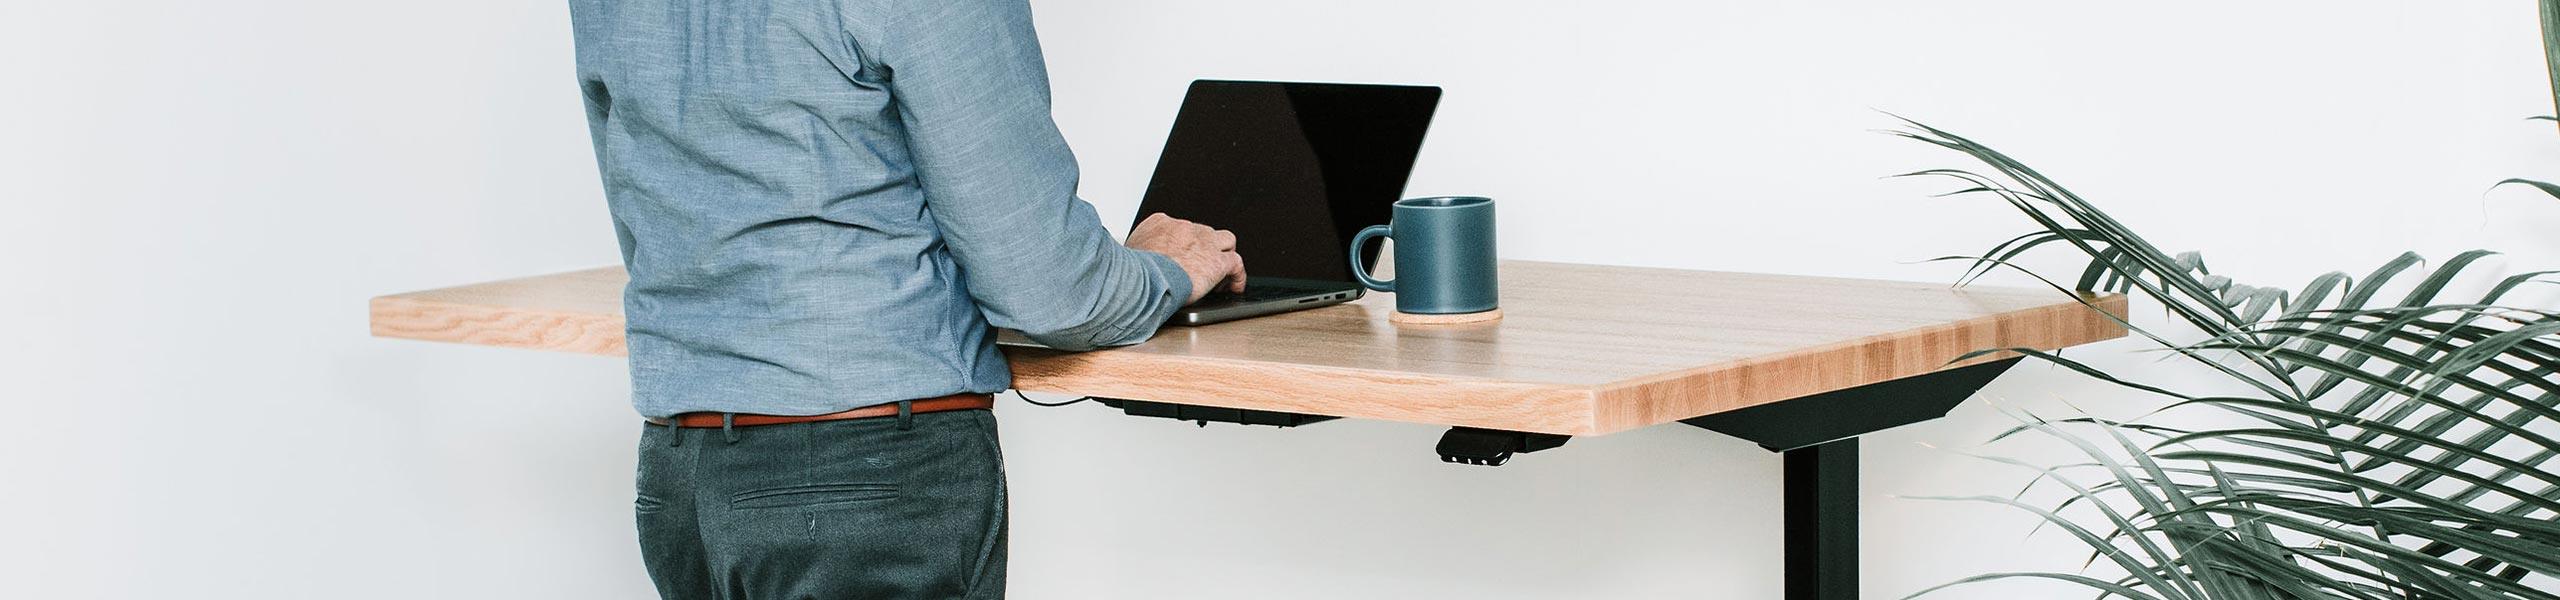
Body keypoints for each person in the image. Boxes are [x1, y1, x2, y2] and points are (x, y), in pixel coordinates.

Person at [565, 0, 1247, 597]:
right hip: (865, 477)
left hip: (682, 480)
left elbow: (654, 222)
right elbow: (1053, 294)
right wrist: (1165, 269)